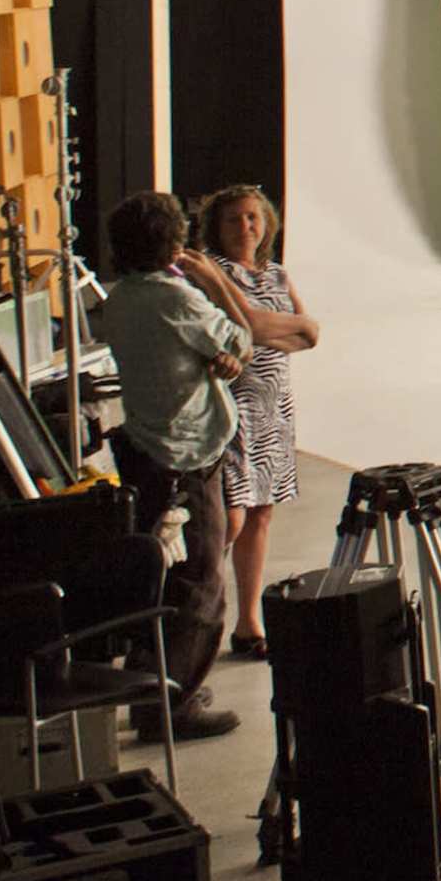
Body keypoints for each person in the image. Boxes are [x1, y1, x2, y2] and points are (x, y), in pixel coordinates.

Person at [94, 191, 244, 742]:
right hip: (185, 457)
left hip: (146, 450)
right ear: (174, 243)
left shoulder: (120, 298)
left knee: (162, 577)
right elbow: (239, 336)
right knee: (200, 582)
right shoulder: (177, 299)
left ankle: (156, 690)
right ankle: (170, 706)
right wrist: (214, 291)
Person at [191, 184, 319, 662]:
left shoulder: (278, 275)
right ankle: (198, 616)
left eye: (252, 218)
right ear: (215, 228)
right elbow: (250, 330)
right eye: (233, 219)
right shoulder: (208, 273)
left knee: (261, 515)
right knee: (228, 520)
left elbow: (308, 335)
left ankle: (248, 623)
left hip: (273, 412)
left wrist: (265, 331)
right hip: (229, 412)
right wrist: (271, 330)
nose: (245, 227)